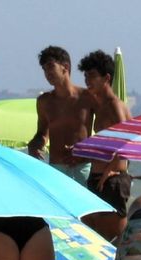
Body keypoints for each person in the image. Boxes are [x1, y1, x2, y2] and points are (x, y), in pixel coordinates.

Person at [78, 51, 133, 241]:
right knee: (94, 235)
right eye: (85, 76)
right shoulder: (99, 105)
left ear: (106, 78)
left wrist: (109, 170)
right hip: (98, 176)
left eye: (92, 76)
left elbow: (128, 140)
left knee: (114, 237)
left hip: (112, 179)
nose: (87, 80)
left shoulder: (114, 105)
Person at [27, 46, 93, 182]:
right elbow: (42, 133)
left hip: (83, 166)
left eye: (50, 66)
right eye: (44, 69)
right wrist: (34, 145)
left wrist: (82, 150)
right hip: (57, 167)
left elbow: (104, 130)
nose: (47, 72)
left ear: (65, 67)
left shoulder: (87, 97)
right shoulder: (44, 101)